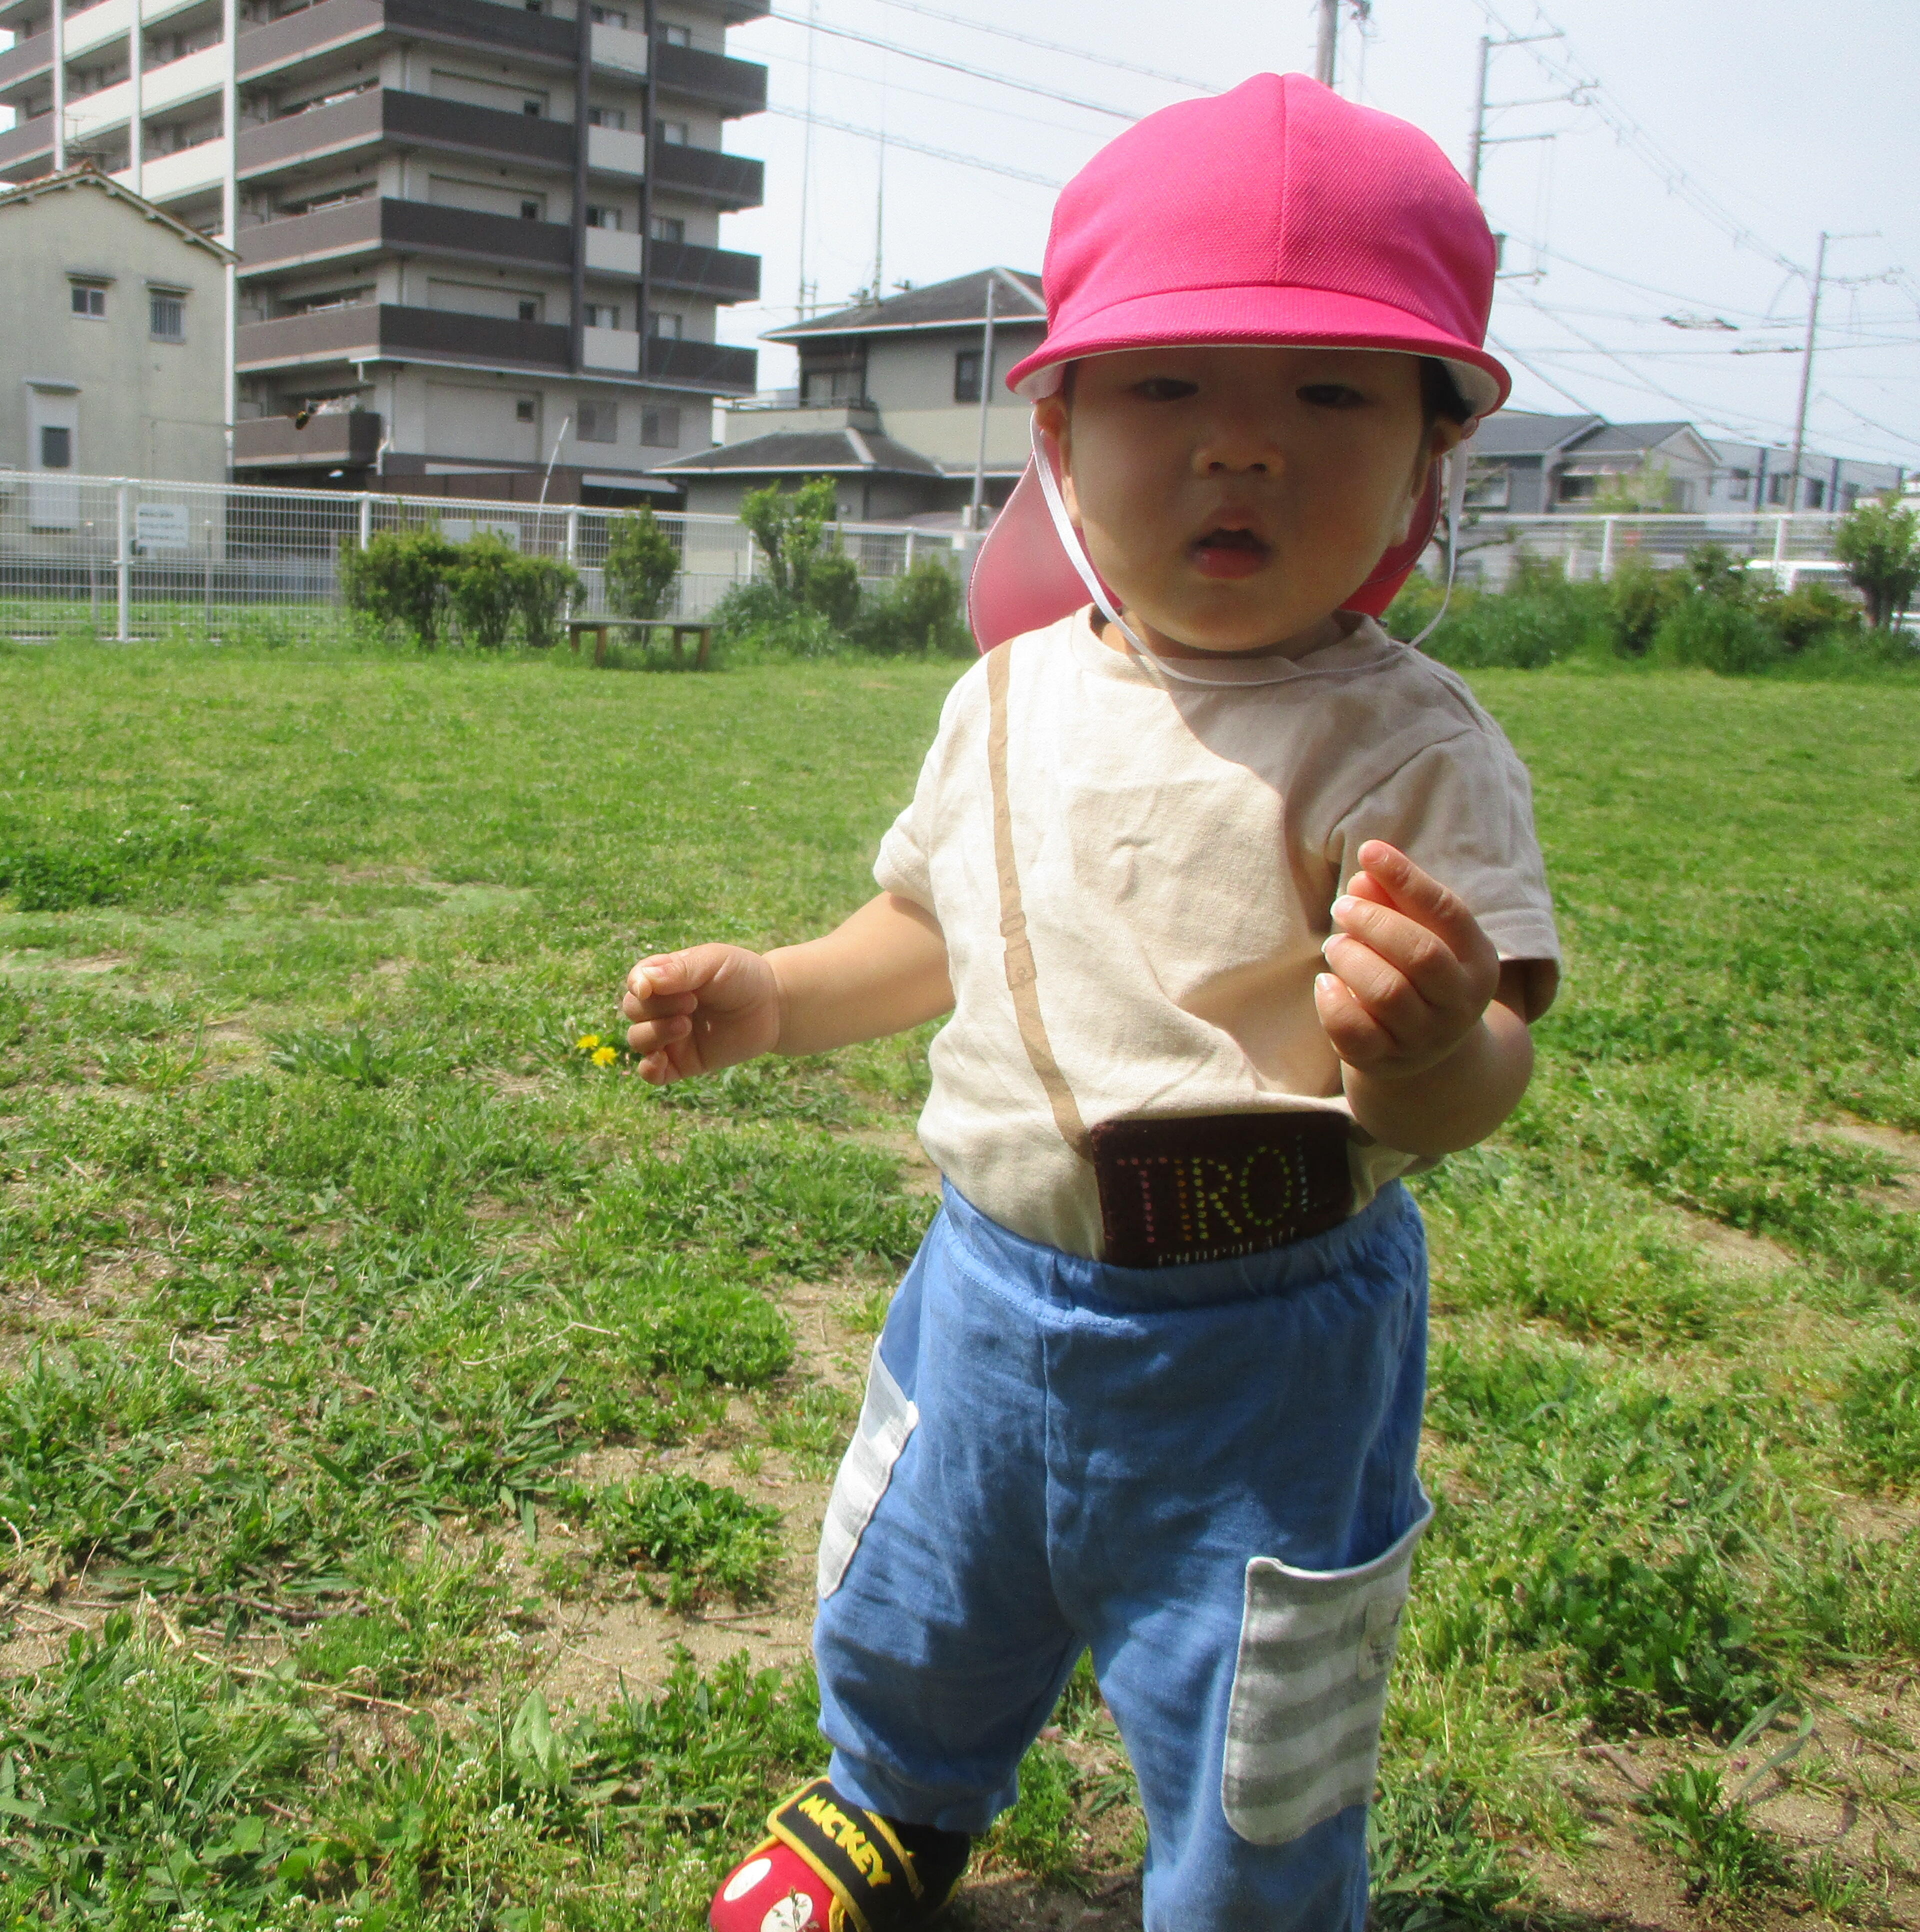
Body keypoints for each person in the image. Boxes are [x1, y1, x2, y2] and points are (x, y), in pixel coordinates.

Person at [620, 74, 1562, 1932]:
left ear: (1427, 458)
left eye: (1328, 394)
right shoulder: (1010, 692)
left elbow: (1483, 1080)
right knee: (920, 1575)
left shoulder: (1406, 748)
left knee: (1254, 1697)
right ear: (1053, 422)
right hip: (987, 1282)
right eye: (1168, 385)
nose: (1243, 449)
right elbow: (937, 924)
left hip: (1264, 1336)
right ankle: (894, 1799)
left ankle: (1243, 1907)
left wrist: (1441, 1045)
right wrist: (780, 997)